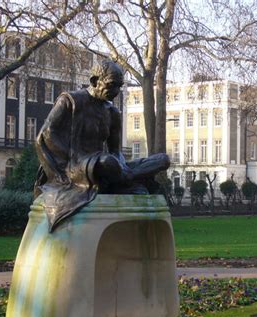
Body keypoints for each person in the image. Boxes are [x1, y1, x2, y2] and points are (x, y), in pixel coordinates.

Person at [35, 59, 170, 232]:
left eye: (119, 87)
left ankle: (126, 176)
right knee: (108, 163)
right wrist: (71, 159)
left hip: (104, 165)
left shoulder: (113, 112)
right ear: (94, 81)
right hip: (75, 164)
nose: (116, 92)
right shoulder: (70, 101)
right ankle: (127, 178)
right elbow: (46, 134)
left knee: (163, 160)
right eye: (111, 85)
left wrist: (121, 165)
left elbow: (115, 151)